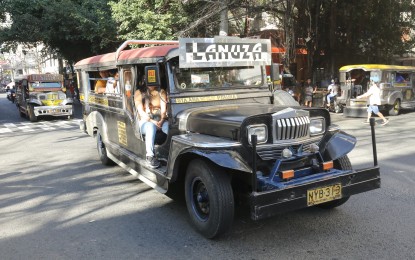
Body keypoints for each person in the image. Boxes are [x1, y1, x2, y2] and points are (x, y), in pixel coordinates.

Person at [134, 84, 168, 168]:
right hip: (145, 121)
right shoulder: (139, 92)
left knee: (169, 127)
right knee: (150, 127)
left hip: (159, 119)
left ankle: (171, 151)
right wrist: (152, 121)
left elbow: (163, 110)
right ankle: (150, 156)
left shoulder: (161, 92)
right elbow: (141, 112)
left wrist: (162, 120)